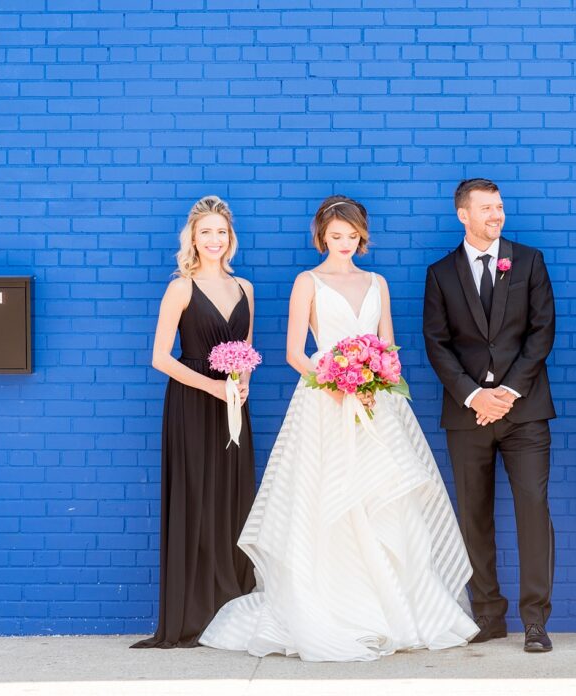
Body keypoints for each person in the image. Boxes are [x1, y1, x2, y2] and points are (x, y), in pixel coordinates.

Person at [199, 195, 478, 662]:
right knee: (326, 500)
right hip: (324, 403)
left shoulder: (378, 282)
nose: (344, 244)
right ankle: (331, 608)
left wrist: (375, 377)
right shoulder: (307, 282)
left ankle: (396, 611)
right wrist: (331, 380)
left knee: (382, 502)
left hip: (375, 404)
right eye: (336, 236)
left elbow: (388, 344)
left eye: (352, 237)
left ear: (361, 237)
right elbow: (293, 351)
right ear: (322, 237)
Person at [423, 178, 557, 653]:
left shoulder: (529, 261)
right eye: (486, 208)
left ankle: (536, 621)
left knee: (532, 513)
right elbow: (436, 345)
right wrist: (473, 396)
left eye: (499, 206)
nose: (496, 215)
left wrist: (507, 392)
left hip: (525, 412)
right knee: (473, 518)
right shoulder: (440, 273)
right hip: (467, 417)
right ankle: (488, 615)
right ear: (464, 214)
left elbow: (542, 332)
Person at [132, 195, 257, 649]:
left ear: (231, 238)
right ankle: (192, 613)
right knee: (196, 498)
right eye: (206, 232)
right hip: (191, 403)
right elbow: (160, 358)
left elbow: (245, 351)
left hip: (233, 408)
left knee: (232, 499)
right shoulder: (181, 288)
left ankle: (230, 605)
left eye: (221, 231)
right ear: (192, 238)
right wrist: (211, 387)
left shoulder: (245, 288)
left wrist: (241, 385)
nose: (214, 240)